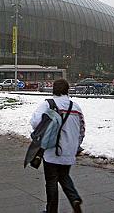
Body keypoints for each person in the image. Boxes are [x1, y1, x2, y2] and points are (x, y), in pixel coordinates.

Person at [30, 79, 85, 213]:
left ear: (53, 90)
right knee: (64, 176)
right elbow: (82, 129)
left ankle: (51, 210)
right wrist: (77, 145)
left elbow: (35, 122)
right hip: (69, 150)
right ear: (67, 90)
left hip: (51, 150)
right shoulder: (75, 107)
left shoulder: (48, 104)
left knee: (51, 181)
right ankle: (74, 199)